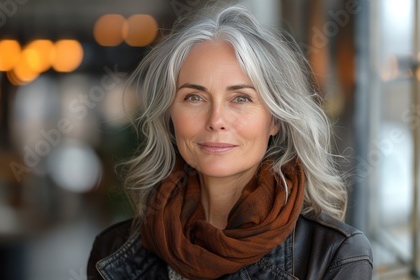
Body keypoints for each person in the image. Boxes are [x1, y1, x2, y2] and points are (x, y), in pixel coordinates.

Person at [88, 4, 373, 279]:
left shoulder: (334, 255)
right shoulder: (112, 250)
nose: (216, 119)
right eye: (194, 97)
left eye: (241, 98)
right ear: (169, 116)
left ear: (274, 119)